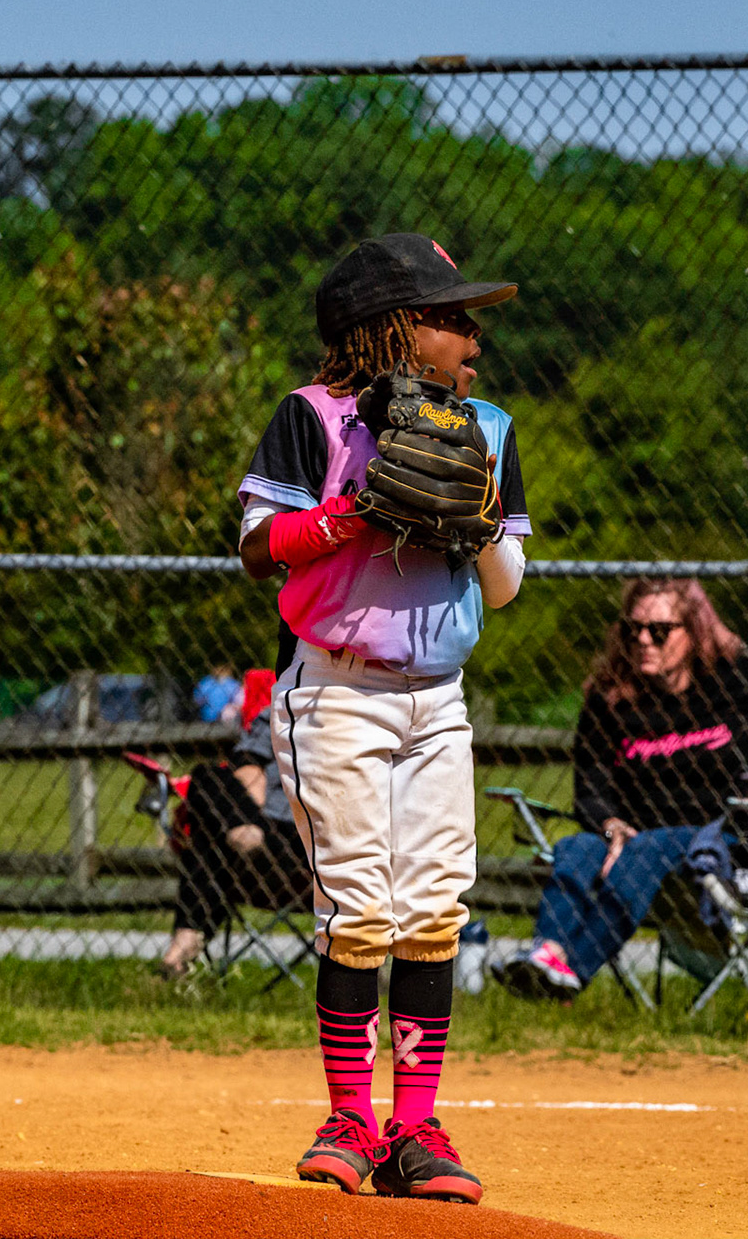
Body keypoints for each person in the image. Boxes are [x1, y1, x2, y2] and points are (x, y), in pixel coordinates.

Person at [235, 234, 530, 1203]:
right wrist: (359, 512)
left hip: (437, 698)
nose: (474, 337)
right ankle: (350, 1117)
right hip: (338, 688)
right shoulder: (311, 418)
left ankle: (416, 1124)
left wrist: (478, 519)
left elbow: (509, 584)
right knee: (359, 908)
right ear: (394, 330)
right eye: (452, 317)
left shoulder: (486, 424)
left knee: (435, 907)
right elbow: (258, 543)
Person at [494, 578, 748, 1000]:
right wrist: (610, 826)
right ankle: (546, 953)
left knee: (648, 849)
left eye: (659, 631)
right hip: (633, 835)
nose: (643, 640)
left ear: (693, 632)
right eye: (633, 629)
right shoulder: (609, 698)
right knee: (575, 849)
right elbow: (590, 786)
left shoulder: (736, 680)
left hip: (719, 835)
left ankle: (570, 973)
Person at [159, 710, 310, 979]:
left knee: (209, 836)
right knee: (207, 776)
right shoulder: (285, 702)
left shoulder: (372, 705)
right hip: (260, 831)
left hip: (315, 847)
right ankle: (243, 828)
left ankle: (186, 938)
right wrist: (247, 813)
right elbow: (248, 765)